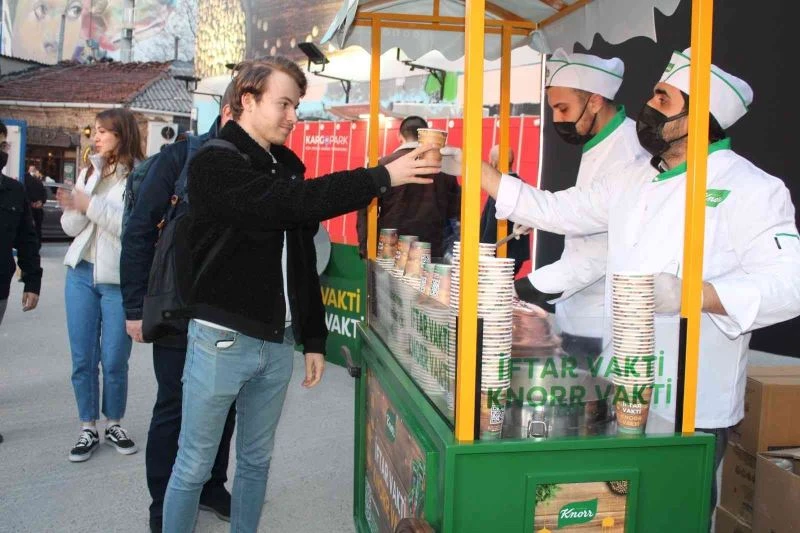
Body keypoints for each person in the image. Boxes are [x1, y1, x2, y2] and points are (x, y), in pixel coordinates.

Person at [474, 48, 800, 523]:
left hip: (691, 399)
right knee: (621, 509)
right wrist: (477, 172)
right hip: (620, 382)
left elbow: (789, 283)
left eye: (662, 98)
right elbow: (556, 210)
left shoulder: (752, 188)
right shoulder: (634, 178)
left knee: (674, 513)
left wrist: (693, 295)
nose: (647, 106)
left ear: (699, 114)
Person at [161, 57, 440, 532]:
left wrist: (312, 337)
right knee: (192, 466)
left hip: (274, 342)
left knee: (254, 464)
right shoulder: (214, 162)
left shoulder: (283, 168)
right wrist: (377, 178)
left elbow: (300, 261)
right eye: (283, 103)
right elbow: (288, 206)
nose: (293, 116)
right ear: (247, 101)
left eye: (296, 105)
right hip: (221, 341)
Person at [120, 82, 237, 532]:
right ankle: (162, 501)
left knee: (224, 405)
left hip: (228, 313)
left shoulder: (256, 164)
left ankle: (210, 485)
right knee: (173, 405)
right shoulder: (180, 158)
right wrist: (134, 308)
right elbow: (138, 234)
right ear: (233, 109)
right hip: (174, 310)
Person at [514, 49, 649, 359]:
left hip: (603, 317)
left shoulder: (628, 151)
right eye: (553, 110)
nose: (557, 120)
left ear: (595, 100)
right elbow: (585, 213)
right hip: (578, 309)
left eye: (563, 108)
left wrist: (522, 288)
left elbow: (601, 252)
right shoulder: (601, 143)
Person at [57, 108, 144, 463]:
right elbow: (69, 228)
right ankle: (88, 427)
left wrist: (88, 204)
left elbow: (130, 227)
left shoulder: (140, 175)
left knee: (113, 359)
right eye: (96, 131)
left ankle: (114, 423)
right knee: (82, 358)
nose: (97, 137)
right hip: (80, 273)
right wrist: (77, 208)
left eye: (105, 132)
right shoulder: (88, 170)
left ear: (122, 135)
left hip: (116, 281)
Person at [357, 115, 461, 259]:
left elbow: (365, 211)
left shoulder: (384, 165)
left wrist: (365, 248)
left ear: (400, 136)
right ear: (426, 135)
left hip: (390, 248)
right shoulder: (444, 169)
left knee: (389, 282)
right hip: (432, 250)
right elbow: (455, 212)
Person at [1, 122, 43, 446]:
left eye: (3, 144)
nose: (2, 151)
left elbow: (27, 240)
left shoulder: (14, 191)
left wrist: (32, 280)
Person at [479, 145, 530, 276]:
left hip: (497, 258)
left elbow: (492, 228)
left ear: (493, 163)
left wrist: (482, 256)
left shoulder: (499, 189)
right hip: (517, 255)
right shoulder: (522, 186)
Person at [24, 166, 48, 246]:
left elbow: (44, 194)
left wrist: (40, 202)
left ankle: (34, 245)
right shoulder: (36, 181)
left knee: (34, 228)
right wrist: (40, 202)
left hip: (33, 209)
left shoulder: (33, 181)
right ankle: (36, 245)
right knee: (36, 229)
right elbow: (44, 194)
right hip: (34, 208)